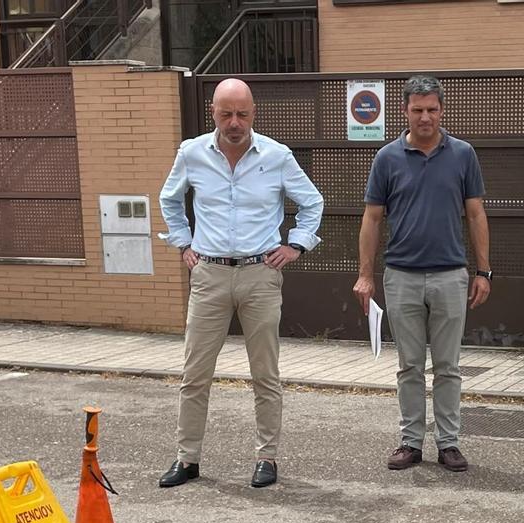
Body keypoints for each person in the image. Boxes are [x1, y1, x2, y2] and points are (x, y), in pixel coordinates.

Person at [157, 77, 323, 489]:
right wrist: (182, 244)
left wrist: (296, 246)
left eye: (242, 114)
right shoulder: (192, 153)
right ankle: (187, 459)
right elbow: (169, 199)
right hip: (209, 274)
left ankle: (267, 458)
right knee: (194, 374)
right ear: (213, 111)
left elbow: (312, 202)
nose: (234, 122)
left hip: (260, 275)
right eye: (226, 113)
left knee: (265, 374)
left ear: (254, 113)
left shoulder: (277, 155)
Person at [353, 74, 491, 474]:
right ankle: (411, 442)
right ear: (405, 111)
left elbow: (476, 213)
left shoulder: (463, 154)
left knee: (448, 366)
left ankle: (448, 443)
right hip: (402, 276)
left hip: (451, 275)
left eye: (432, 109)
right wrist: (365, 275)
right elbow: (372, 218)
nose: (425, 117)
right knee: (409, 366)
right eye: (418, 110)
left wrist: (483, 271)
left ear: (442, 110)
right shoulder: (387, 158)